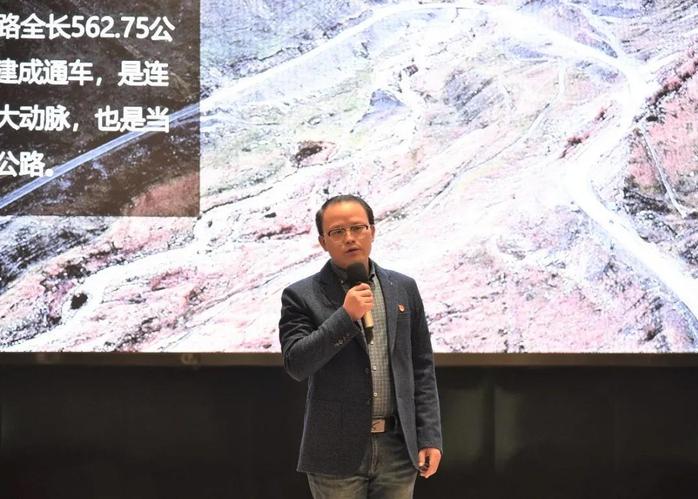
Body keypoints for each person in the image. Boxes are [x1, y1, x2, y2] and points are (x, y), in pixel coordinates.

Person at [279, 194, 442, 499]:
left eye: (358, 228)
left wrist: (430, 436)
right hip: (335, 450)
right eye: (337, 232)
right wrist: (345, 317)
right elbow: (297, 363)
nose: (350, 238)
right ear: (323, 242)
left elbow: (421, 367)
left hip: (398, 447)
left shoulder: (403, 288)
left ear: (372, 231)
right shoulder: (301, 295)